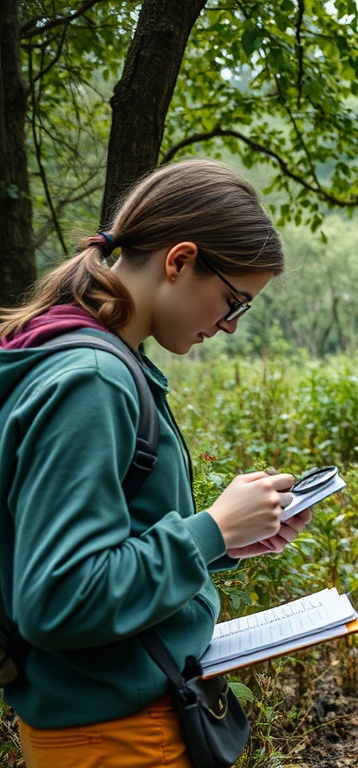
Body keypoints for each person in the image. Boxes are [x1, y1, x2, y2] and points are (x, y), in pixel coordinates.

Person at [0, 158, 311, 768]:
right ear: (179, 261)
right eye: (232, 301)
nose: (227, 326)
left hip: (105, 724)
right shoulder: (92, 379)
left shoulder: (84, 354)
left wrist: (225, 540)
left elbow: (105, 543)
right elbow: (61, 597)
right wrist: (210, 528)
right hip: (116, 737)